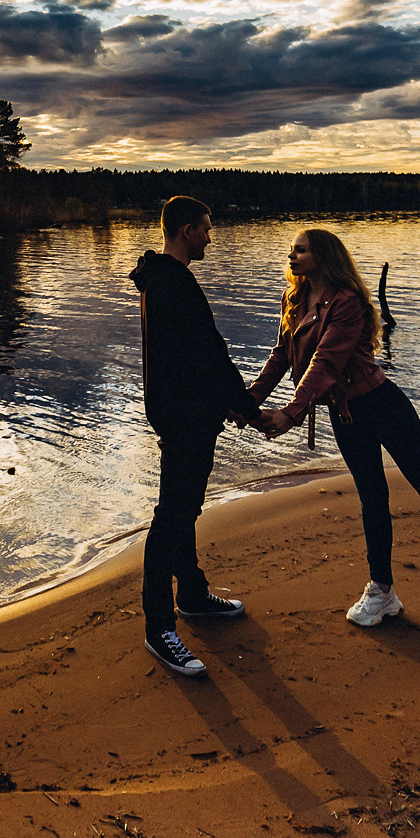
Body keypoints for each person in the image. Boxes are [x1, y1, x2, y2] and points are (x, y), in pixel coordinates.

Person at [251, 228, 420, 630]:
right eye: (291, 250)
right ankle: (382, 592)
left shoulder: (347, 303)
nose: (291, 256)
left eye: (301, 250)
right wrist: (248, 401)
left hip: (382, 406)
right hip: (345, 416)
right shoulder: (295, 298)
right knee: (372, 500)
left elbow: (325, 363)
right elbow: (281, 356)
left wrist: (291, 413)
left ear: (323, 256)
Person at [127, 196, 263, 677]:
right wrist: (247, 406)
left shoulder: (159, 279)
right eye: (205, 228)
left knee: (185, 509)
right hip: (183, 416)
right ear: (186, 230)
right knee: (172, 516)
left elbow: (191, 354)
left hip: (183, 413)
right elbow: (209, 352)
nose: (210, 236)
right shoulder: (173, 283)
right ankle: (159, 629)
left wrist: (227, 403)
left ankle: (192, 595)